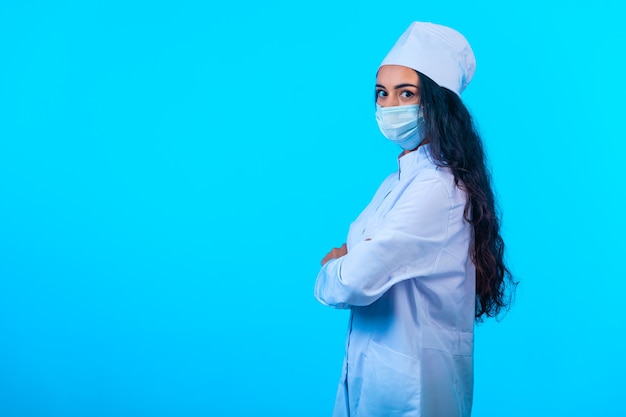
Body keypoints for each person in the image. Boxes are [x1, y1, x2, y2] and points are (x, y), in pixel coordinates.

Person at [314, 21, 517, 417]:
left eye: (406, 93)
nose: (389, 106)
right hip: (374, 374)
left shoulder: (436, 189)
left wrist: (338, 264)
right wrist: (354, 260)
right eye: (381, 94)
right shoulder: (398, 181)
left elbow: (353, 279)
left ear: (438, 102)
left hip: (413, 388)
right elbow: (364, 266)